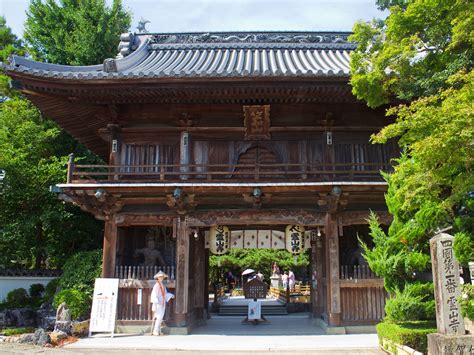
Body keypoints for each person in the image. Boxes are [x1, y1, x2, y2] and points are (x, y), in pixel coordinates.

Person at [150, 271, 174, 335]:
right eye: (160, 277)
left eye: (162, 277)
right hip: (158, 302)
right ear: (158, 278)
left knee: (160, 316)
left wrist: (170, 295)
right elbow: (154, 294)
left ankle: (157, 330)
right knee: (159, 316)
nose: (161, 278)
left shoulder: (162, 285)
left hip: (162, 302)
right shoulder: (156, 285)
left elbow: (165, 294)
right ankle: (155, 330)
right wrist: (156, 301)